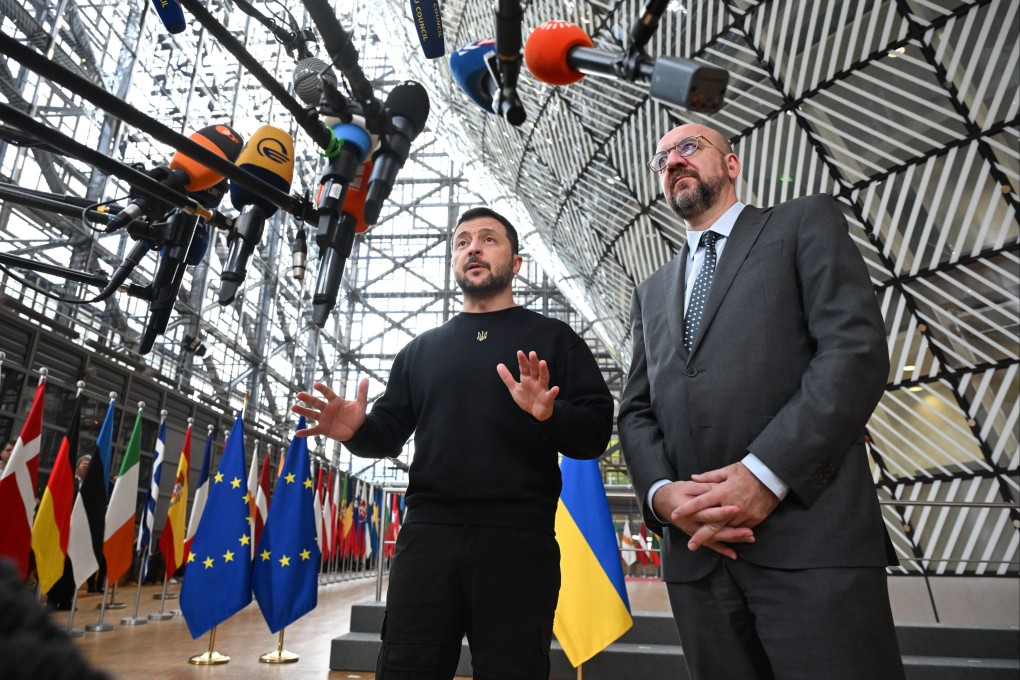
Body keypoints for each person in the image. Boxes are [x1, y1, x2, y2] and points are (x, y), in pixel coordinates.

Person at [617, 123, 905, 680]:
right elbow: (635, 409)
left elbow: (853, 352)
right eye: (661, 159)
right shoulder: (650, 292)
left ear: (732, 164)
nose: (673, 161)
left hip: (810, 547)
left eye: (688, 148)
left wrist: (764, 474)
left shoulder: (802, 223)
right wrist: (661, 495)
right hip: (698, 559)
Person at [293, 207, 613, 680]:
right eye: (462, 242)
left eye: (488, 239)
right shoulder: (421, 350)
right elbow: (386, 433)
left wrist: (550, 414)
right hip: (428, 537)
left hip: (517, 541)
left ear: (516, 263)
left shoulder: (554, 339)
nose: (473, 248)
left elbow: (595, 433)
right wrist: (355, 431)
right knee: (407, 666)